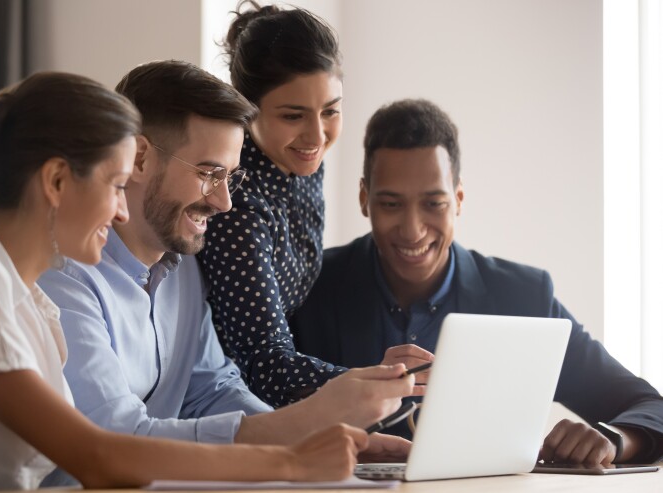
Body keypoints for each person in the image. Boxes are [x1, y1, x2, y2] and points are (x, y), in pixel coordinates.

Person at [0, 73, 370, 492]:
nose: (122, 212)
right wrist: (292, 461)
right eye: (117, 185)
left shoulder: (35, 303)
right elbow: (99, 454)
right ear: (57, 180)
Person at [36, 60, 414, 487]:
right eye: (209, 174)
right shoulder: (62, 278)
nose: (224, 202)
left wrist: (311, 441)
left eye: (230, 177)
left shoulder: (183, 270)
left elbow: (210, 390)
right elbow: (118, 440)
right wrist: (304, 424)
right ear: (138, 158)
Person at [290, 98, 663, 465]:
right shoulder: (309, 285)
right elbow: (255, 417)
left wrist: (614, 441)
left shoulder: (525, 297)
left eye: (433, 203)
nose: (412, 230)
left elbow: (650, 407)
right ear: (363, 198)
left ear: (459, 198)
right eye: (391, 204)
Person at [196, 1, 430, 409]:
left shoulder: (299, 167)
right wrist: (376, 379)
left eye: (331, 112)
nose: (316, 136)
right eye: (293, 116)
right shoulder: (237, 206)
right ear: (246, 109)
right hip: (223, 409)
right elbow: (265, 365)